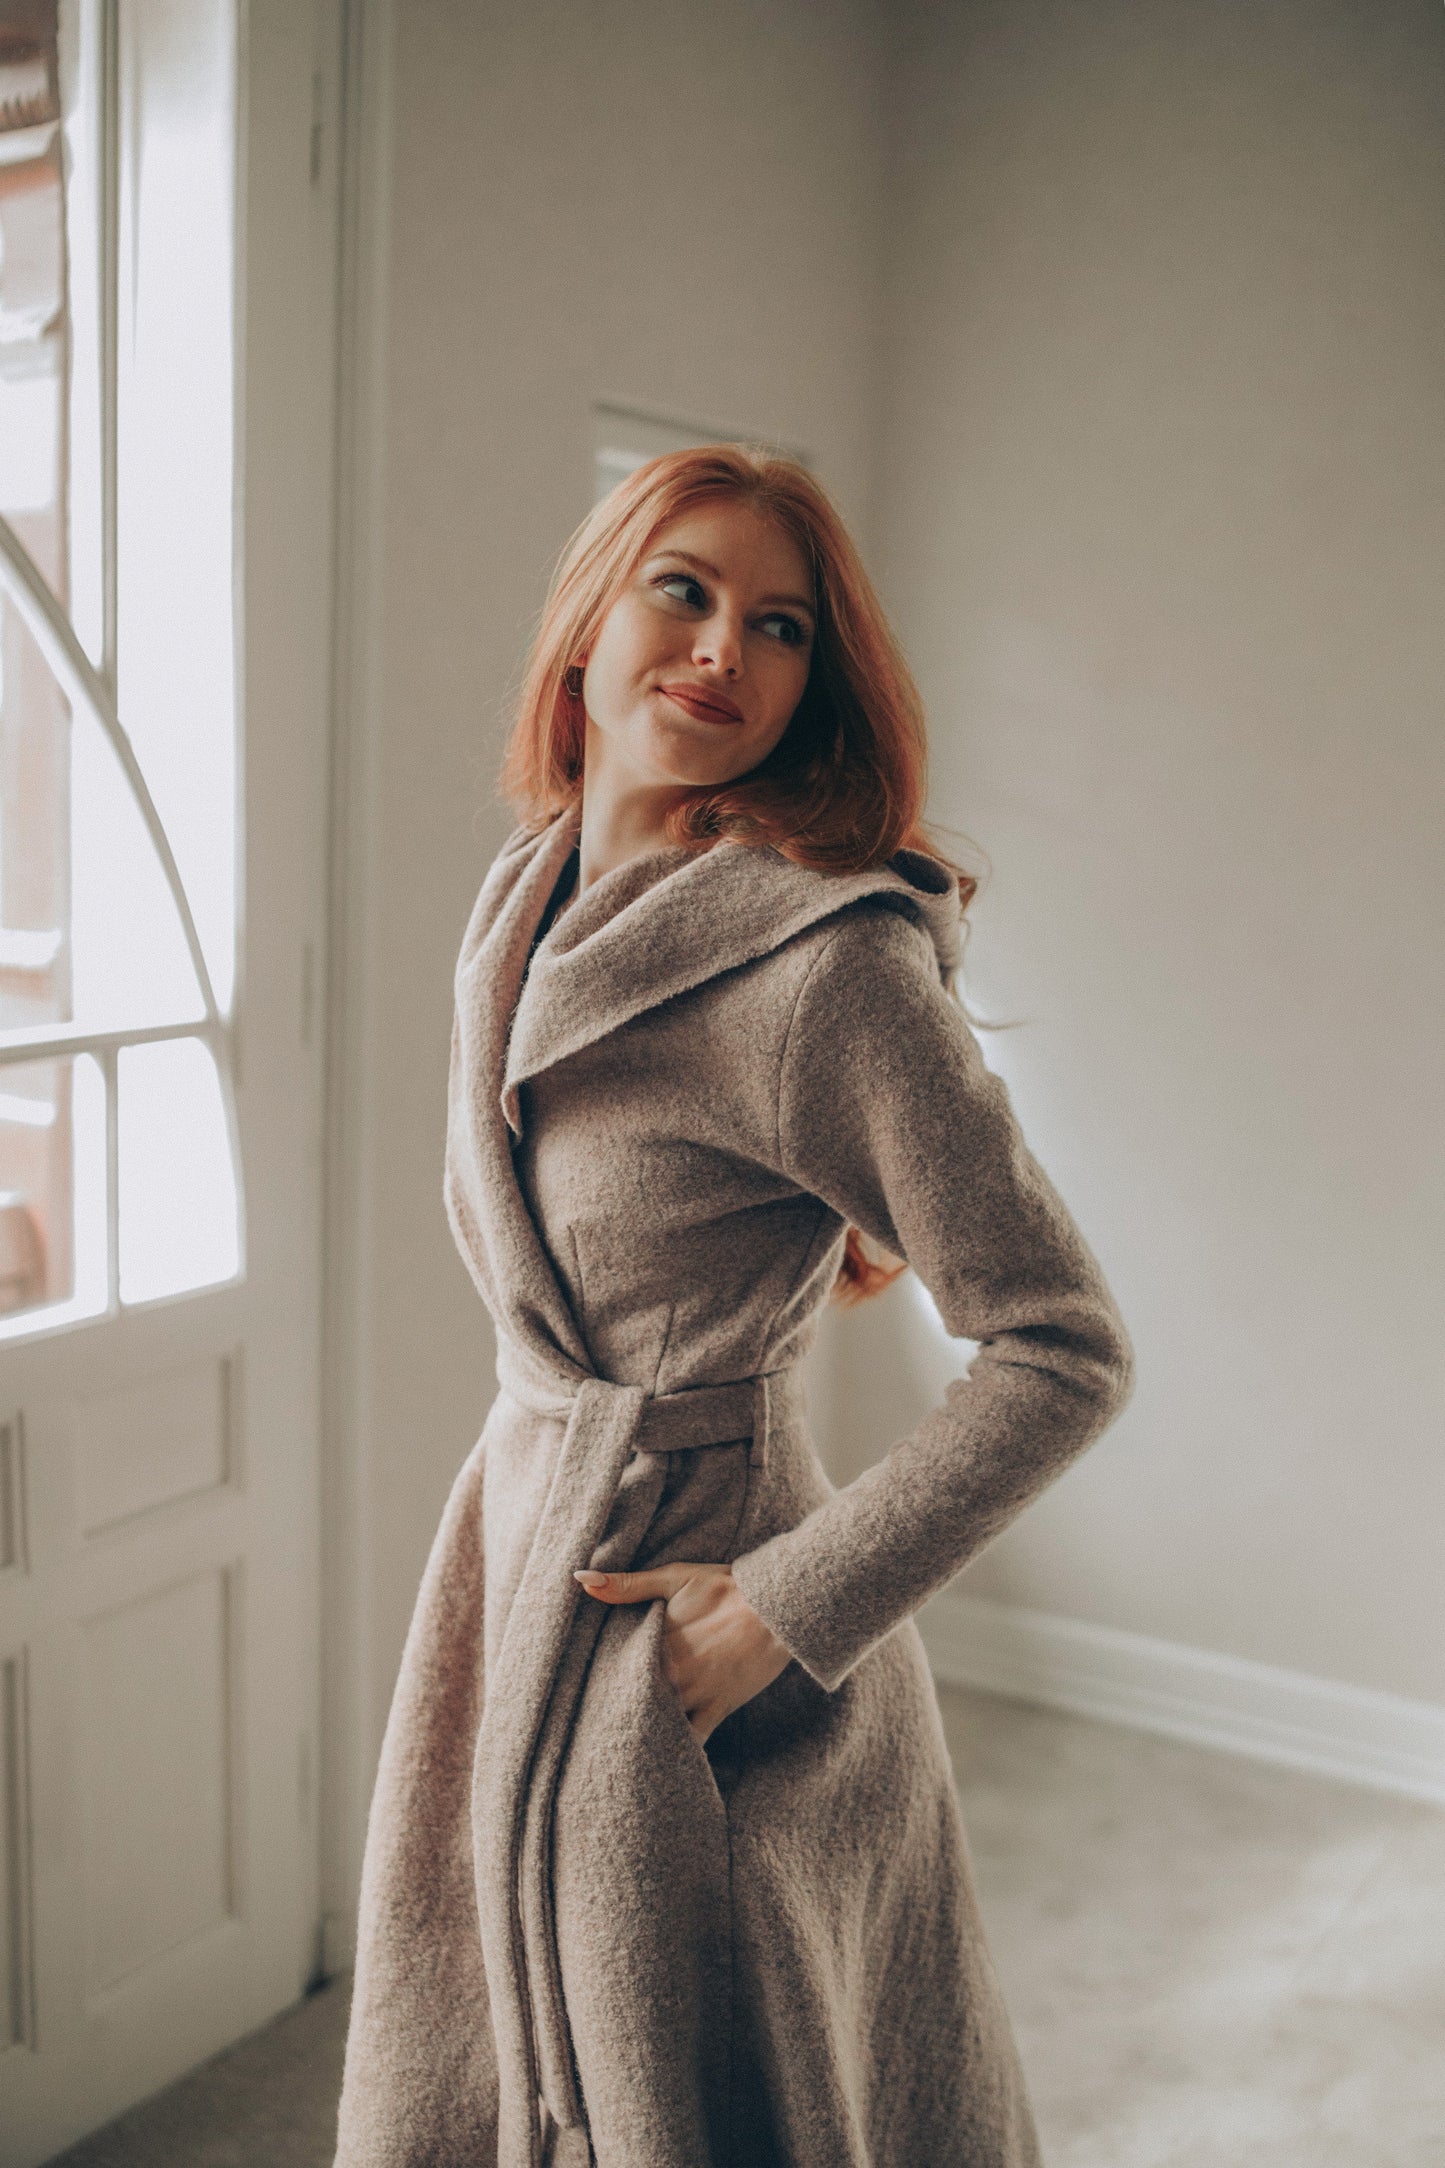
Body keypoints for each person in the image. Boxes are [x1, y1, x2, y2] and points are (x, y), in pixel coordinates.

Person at [333, 445, 1135, 2168]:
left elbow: (1062, 1346)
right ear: (587, 621)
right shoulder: (524, 896)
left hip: (711, 1633)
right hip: (514, 1573)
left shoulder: (825, 965)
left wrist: (780, 1611)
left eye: (778, 627)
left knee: (720, 2098)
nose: (721, 651)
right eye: (681, 591)